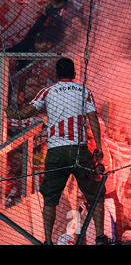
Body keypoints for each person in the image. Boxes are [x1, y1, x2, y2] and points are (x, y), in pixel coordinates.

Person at [5, 57, 110, 245]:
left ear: (57, 73)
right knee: (95, 195)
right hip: (79, 150)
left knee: (50, 199)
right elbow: (93, 118)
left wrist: (15, 114)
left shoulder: (47, 91)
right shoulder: (84, 90)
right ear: (74, 73)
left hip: (55, 152)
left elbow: (28, 111)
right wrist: (99, 147)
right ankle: (101, 237)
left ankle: (47, 240)